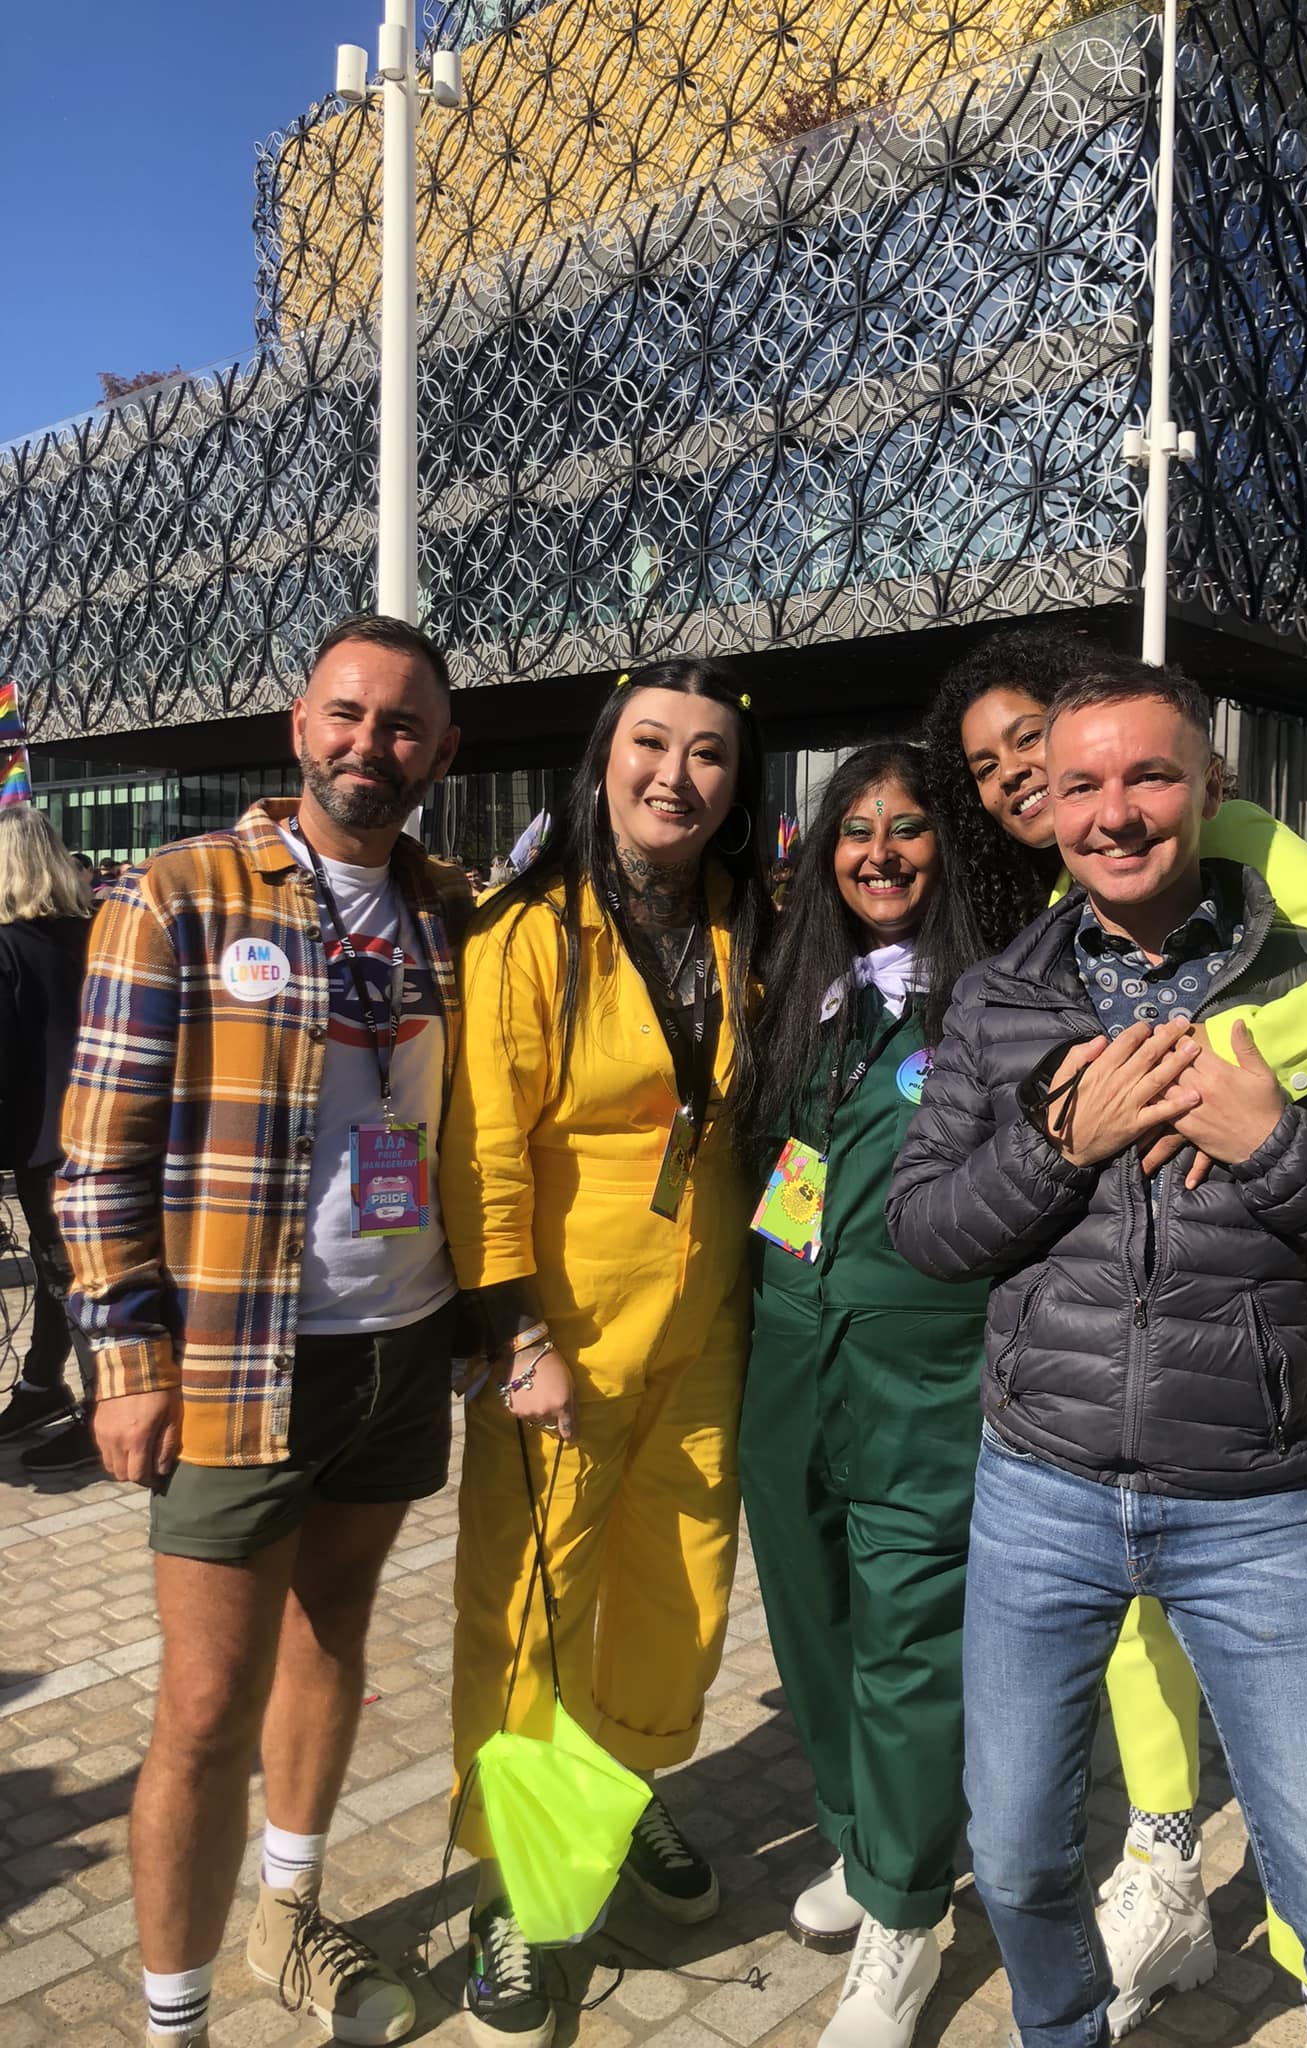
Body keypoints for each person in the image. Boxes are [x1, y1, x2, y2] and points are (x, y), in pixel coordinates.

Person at [889, 662, 1307, 2047]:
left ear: (1210, 789)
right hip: (1041, 1496)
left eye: (1148, 776)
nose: (1112, 812)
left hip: (1254, 1509)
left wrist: (1272, 1137)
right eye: (1078, 784)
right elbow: (923, 1229)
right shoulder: (998, 1001)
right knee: (1026, 1864)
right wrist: (1056, 1144)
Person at [57, 614, 464, 2048]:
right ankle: (173, 2025)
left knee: (336, 1631)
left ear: (441, 752)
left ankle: (290, 1915)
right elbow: (93, 1155)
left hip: (399, 1346)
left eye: (404, 725)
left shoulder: (448, 908)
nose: (372, 746)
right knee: (208, 1703)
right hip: (238, 1362)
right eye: (348, 716)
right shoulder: (178, 895)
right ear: (299, 726)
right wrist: (124, 1359)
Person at [439, 658, 771, 2048]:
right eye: (650, 744)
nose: (675, 777)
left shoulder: (747, 920)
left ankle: (616, 1805)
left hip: (702, 1331)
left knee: (675, 1600)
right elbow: (483, 1152)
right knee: (533, 1619)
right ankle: (519, 1888)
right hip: (561, 1344)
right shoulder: (527, 934)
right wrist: (515, 1333)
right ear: (603, 758)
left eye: (706, 756)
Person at [736, 744, 983, 2048]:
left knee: (902, 1645)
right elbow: (792, 1170)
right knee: (812, 1618)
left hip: (920, 1371)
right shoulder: (804, 997)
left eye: (907, 830)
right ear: (826, 849)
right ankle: (865, 1838)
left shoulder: (983, 1006)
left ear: (945, 850)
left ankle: (908, 1912)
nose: (880, 853)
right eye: (857, 832)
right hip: (791, 1353)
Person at [0, 807, 98, 1473]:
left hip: (45, 1142)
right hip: (110, 1129)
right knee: (69, 1272)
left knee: (75, 1278)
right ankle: (42, 1382)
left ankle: (104, 1412)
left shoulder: (7, 945)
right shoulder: (98, 932)